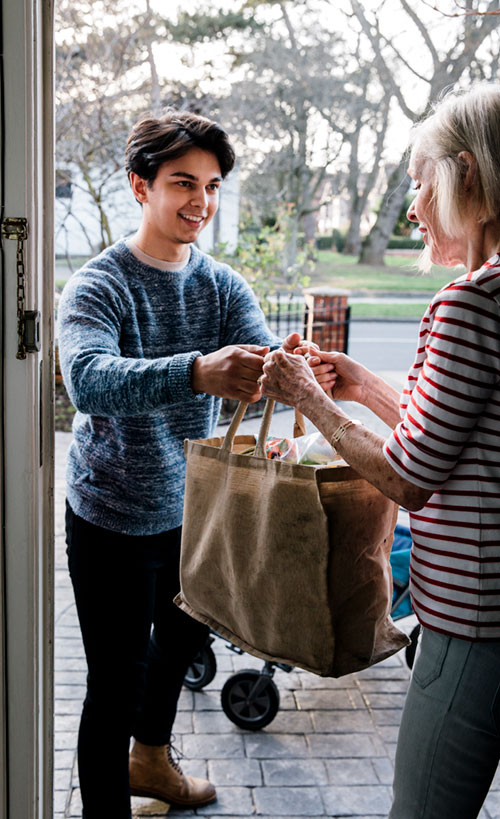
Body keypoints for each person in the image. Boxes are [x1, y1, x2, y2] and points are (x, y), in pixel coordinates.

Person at [58, 109, 333, 819]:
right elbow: (88, 378)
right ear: (138, 185)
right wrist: (195, 372)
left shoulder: (221, 285)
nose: (201, 203)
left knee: (180, 646)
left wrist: (287, 363)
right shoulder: (100, 284)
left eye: (211, 186)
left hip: (195, 514)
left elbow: (256, 359)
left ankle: (151, 759)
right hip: (112, 515)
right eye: (183, 182)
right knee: (113, 684)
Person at [261, 83, 500, 819]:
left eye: (419, 183)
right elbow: (466, 444)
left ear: (466, 174)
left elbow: (412, 475)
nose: (412, 207)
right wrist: (361, 385)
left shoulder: (466, 304)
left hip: (473, 616)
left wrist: (309, 398)